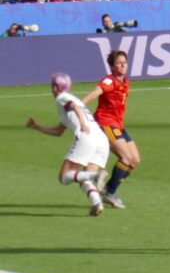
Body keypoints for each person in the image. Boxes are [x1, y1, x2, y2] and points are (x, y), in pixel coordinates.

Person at [25, 73, 109, 216]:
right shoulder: (72, 100)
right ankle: (97, 204)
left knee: (64, 177)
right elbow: (58, 131)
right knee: (82, 176)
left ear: (55, 87)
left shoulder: (61, 98)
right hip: (101, 139)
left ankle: (96, 176)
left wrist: (82, 123)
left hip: (86, 137)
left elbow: (74, 107)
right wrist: (37, 127)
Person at [80, 50, 139, 209]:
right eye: (119, 63)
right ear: (112, 66)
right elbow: (95, 93)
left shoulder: (125, 81)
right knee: (125, 157)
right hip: (105, 123)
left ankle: (107, 190)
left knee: (134, 159)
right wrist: (78, 105)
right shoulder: (109, 81)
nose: (123, 65)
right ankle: (110, 193)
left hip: (119, 124)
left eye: (125, 62)